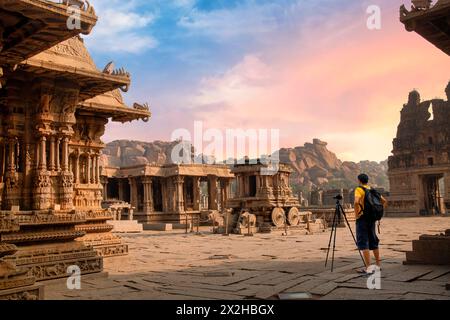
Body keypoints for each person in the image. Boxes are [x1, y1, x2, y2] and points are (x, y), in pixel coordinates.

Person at [354, 173, 387, 274]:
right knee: (373, 241)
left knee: (364, 242)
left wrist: (357, 214)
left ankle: (368, 267)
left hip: (363, 219)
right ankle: (377, 265)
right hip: (372, 219)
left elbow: (356, 202)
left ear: (359, 180)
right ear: (367, 181)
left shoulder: (359, 189)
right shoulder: (372, 190)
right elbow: (384, 201)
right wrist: (377, 212)